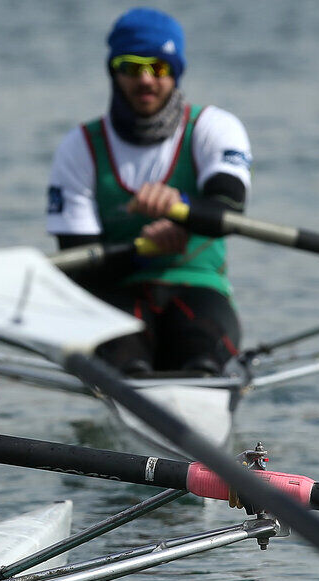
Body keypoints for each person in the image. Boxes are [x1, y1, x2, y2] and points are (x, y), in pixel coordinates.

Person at [46, 7, 253, 376]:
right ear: (114, 72)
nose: (145, 80)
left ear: (174, 72)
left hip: (199, 288)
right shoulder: (79, 147)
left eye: (158, 67)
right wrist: (145, 252)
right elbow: (80, 267)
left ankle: (199, 382)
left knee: (201, 357)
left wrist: (181, 209)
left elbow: (230, 207)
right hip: (118, 293)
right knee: (129, 364)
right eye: (131, 67)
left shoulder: (214, 129)